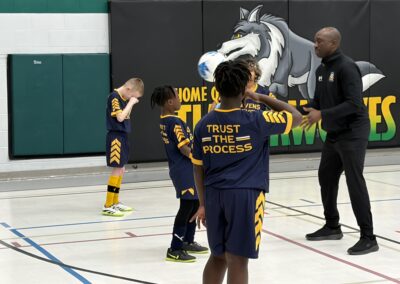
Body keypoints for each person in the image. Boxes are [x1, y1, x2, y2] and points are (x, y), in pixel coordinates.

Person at [190, 60, 302, 283]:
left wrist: (202, 203)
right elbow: (296, 117)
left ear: (216, 90)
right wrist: (260, 97)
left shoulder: (203, 124)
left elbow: (197, 168)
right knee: (238, 260)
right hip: (245, 195)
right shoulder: (256, 119)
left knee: (218, 256)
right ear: (245, 90)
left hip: (213, 195)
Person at [301, 27, 379, 255]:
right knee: (325, 176)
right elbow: (316, 103)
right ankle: (332, 226)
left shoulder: (346, 67)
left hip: (353, 132)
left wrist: (322, 115)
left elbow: (354, 104)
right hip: (334, 134)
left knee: (355, 182)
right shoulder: (321, 70)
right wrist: (296, 111)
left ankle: (368, 237)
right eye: (315, 41)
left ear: (333, 44)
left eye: (319, 41)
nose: (315, 45)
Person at [151, 85, 208, 262]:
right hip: (184, 169)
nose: (180, 100)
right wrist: (198, 159)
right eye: (177, 97)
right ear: (170, 102)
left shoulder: (166, 119)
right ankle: (175, 248)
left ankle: (188, 241)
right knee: (186, 207)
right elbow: (184, 148)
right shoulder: (174, 122)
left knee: (193, 204)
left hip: (182, 169)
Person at [103, 78, 144, 217]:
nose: (133, 99)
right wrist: (131, 103)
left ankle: (115, 202)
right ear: (128, 90)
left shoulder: (123, 98)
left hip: (123, 136)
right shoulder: (114, 97)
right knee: (117, 168)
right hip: (116, 137)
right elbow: (120, 117)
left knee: (121, 169)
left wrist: (130, 102)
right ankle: (108, 204)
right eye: (133, 96)